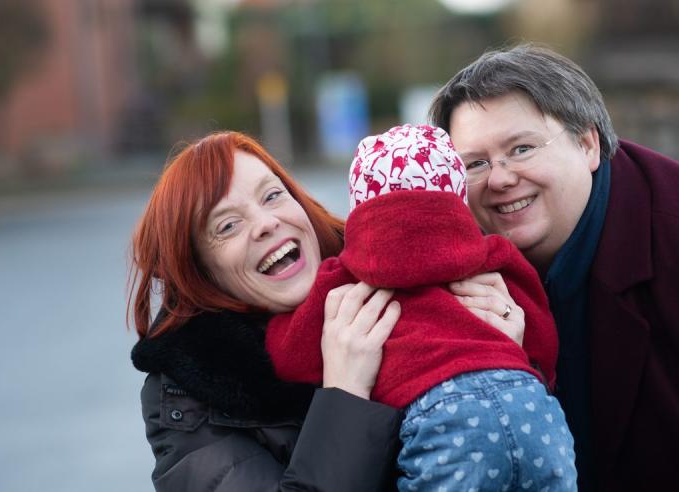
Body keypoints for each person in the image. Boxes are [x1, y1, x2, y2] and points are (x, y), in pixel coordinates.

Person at [427, 44, 679, 492]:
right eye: (475, 163)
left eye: (521, 149)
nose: (500, 178)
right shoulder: (451, 277)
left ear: (587, 144)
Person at [127, 131, 527, 491]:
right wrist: (345, 394)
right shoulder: (185, 405)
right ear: (200, 272)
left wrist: (501, 360)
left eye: (272, 195)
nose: (266, 223)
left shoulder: (399, 271)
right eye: (228, 225)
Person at [265, 123, 577, 491]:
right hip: (529, 403)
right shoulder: (492, 255)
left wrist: (275, 329)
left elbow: (292, 355)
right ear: (457, 196)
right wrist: (537, 368)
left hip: (443, 419)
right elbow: (540, 331)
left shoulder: (344, 279)